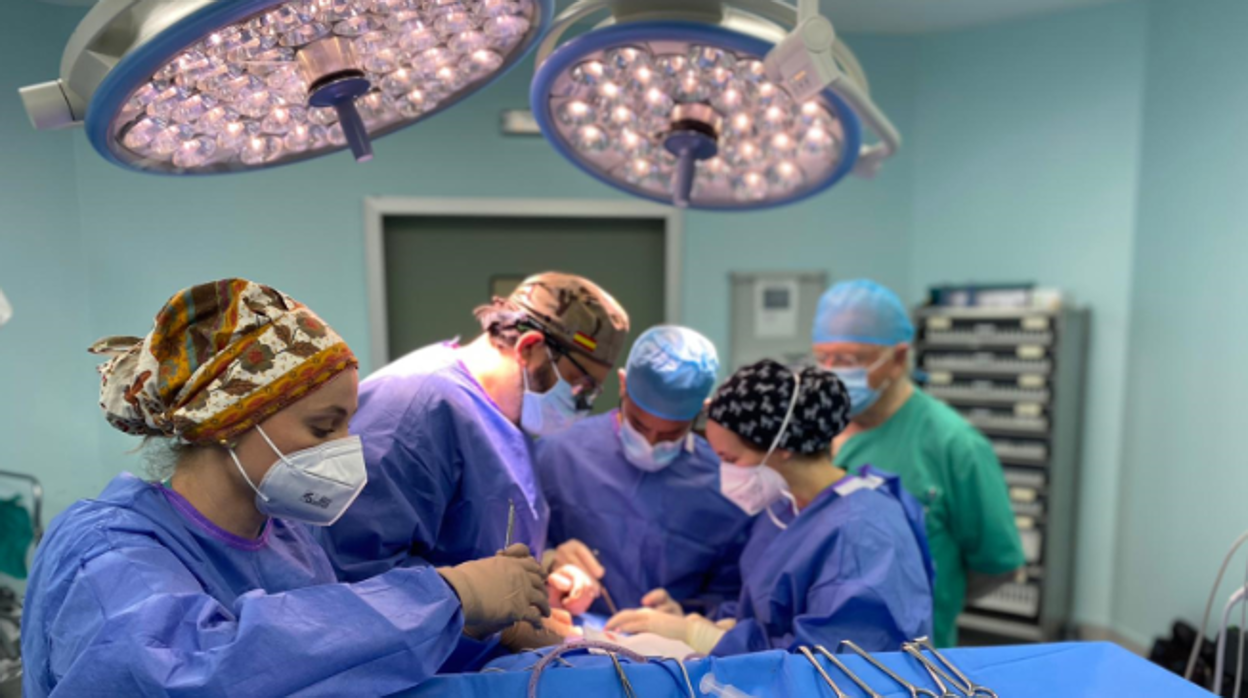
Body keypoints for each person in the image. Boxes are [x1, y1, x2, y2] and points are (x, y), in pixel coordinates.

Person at [21, 279, 550, 697]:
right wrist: (446, 596)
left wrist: (474, 632)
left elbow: (335, 660)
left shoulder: (288, 538)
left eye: (348, 424)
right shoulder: (107, 549)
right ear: (227, 419)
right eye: (323, 428)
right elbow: (192, 675)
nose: (348, 446)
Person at [318, 272, 630, 583]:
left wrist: (540, 585)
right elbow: (357, 575)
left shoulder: (509, 420)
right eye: (578, 385)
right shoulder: (414, 405)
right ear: (530, 348)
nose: (581, 402)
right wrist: (477, 608)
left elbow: (476, 549)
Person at [606, 360, 934, 655]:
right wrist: (700, 624)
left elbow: (834, 668)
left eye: (730, 459)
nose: (724, 472)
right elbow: (765, 613)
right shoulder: (787, 508)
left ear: (783, 447)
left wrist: (705, 638)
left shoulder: (862, 535)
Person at [812, 279, 1025, 647]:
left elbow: (997, 564)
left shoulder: (954, 445)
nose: (831, 371)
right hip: (813, 644)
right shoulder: (811, 428)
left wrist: (924, 594)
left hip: (911, 655)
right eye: (823, 357)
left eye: (848, 360)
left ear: (897, 358)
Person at [534, 326, 753, 618]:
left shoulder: (724, 484)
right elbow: (513, 543)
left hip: (671, 656)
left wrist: (689, 619)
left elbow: (733, 593)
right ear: (623, 385)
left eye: (670, 434)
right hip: (570, 640)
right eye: (639, 425)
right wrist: (549, 562)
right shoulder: (558, 453)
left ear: (701, 411)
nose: (650, 443)